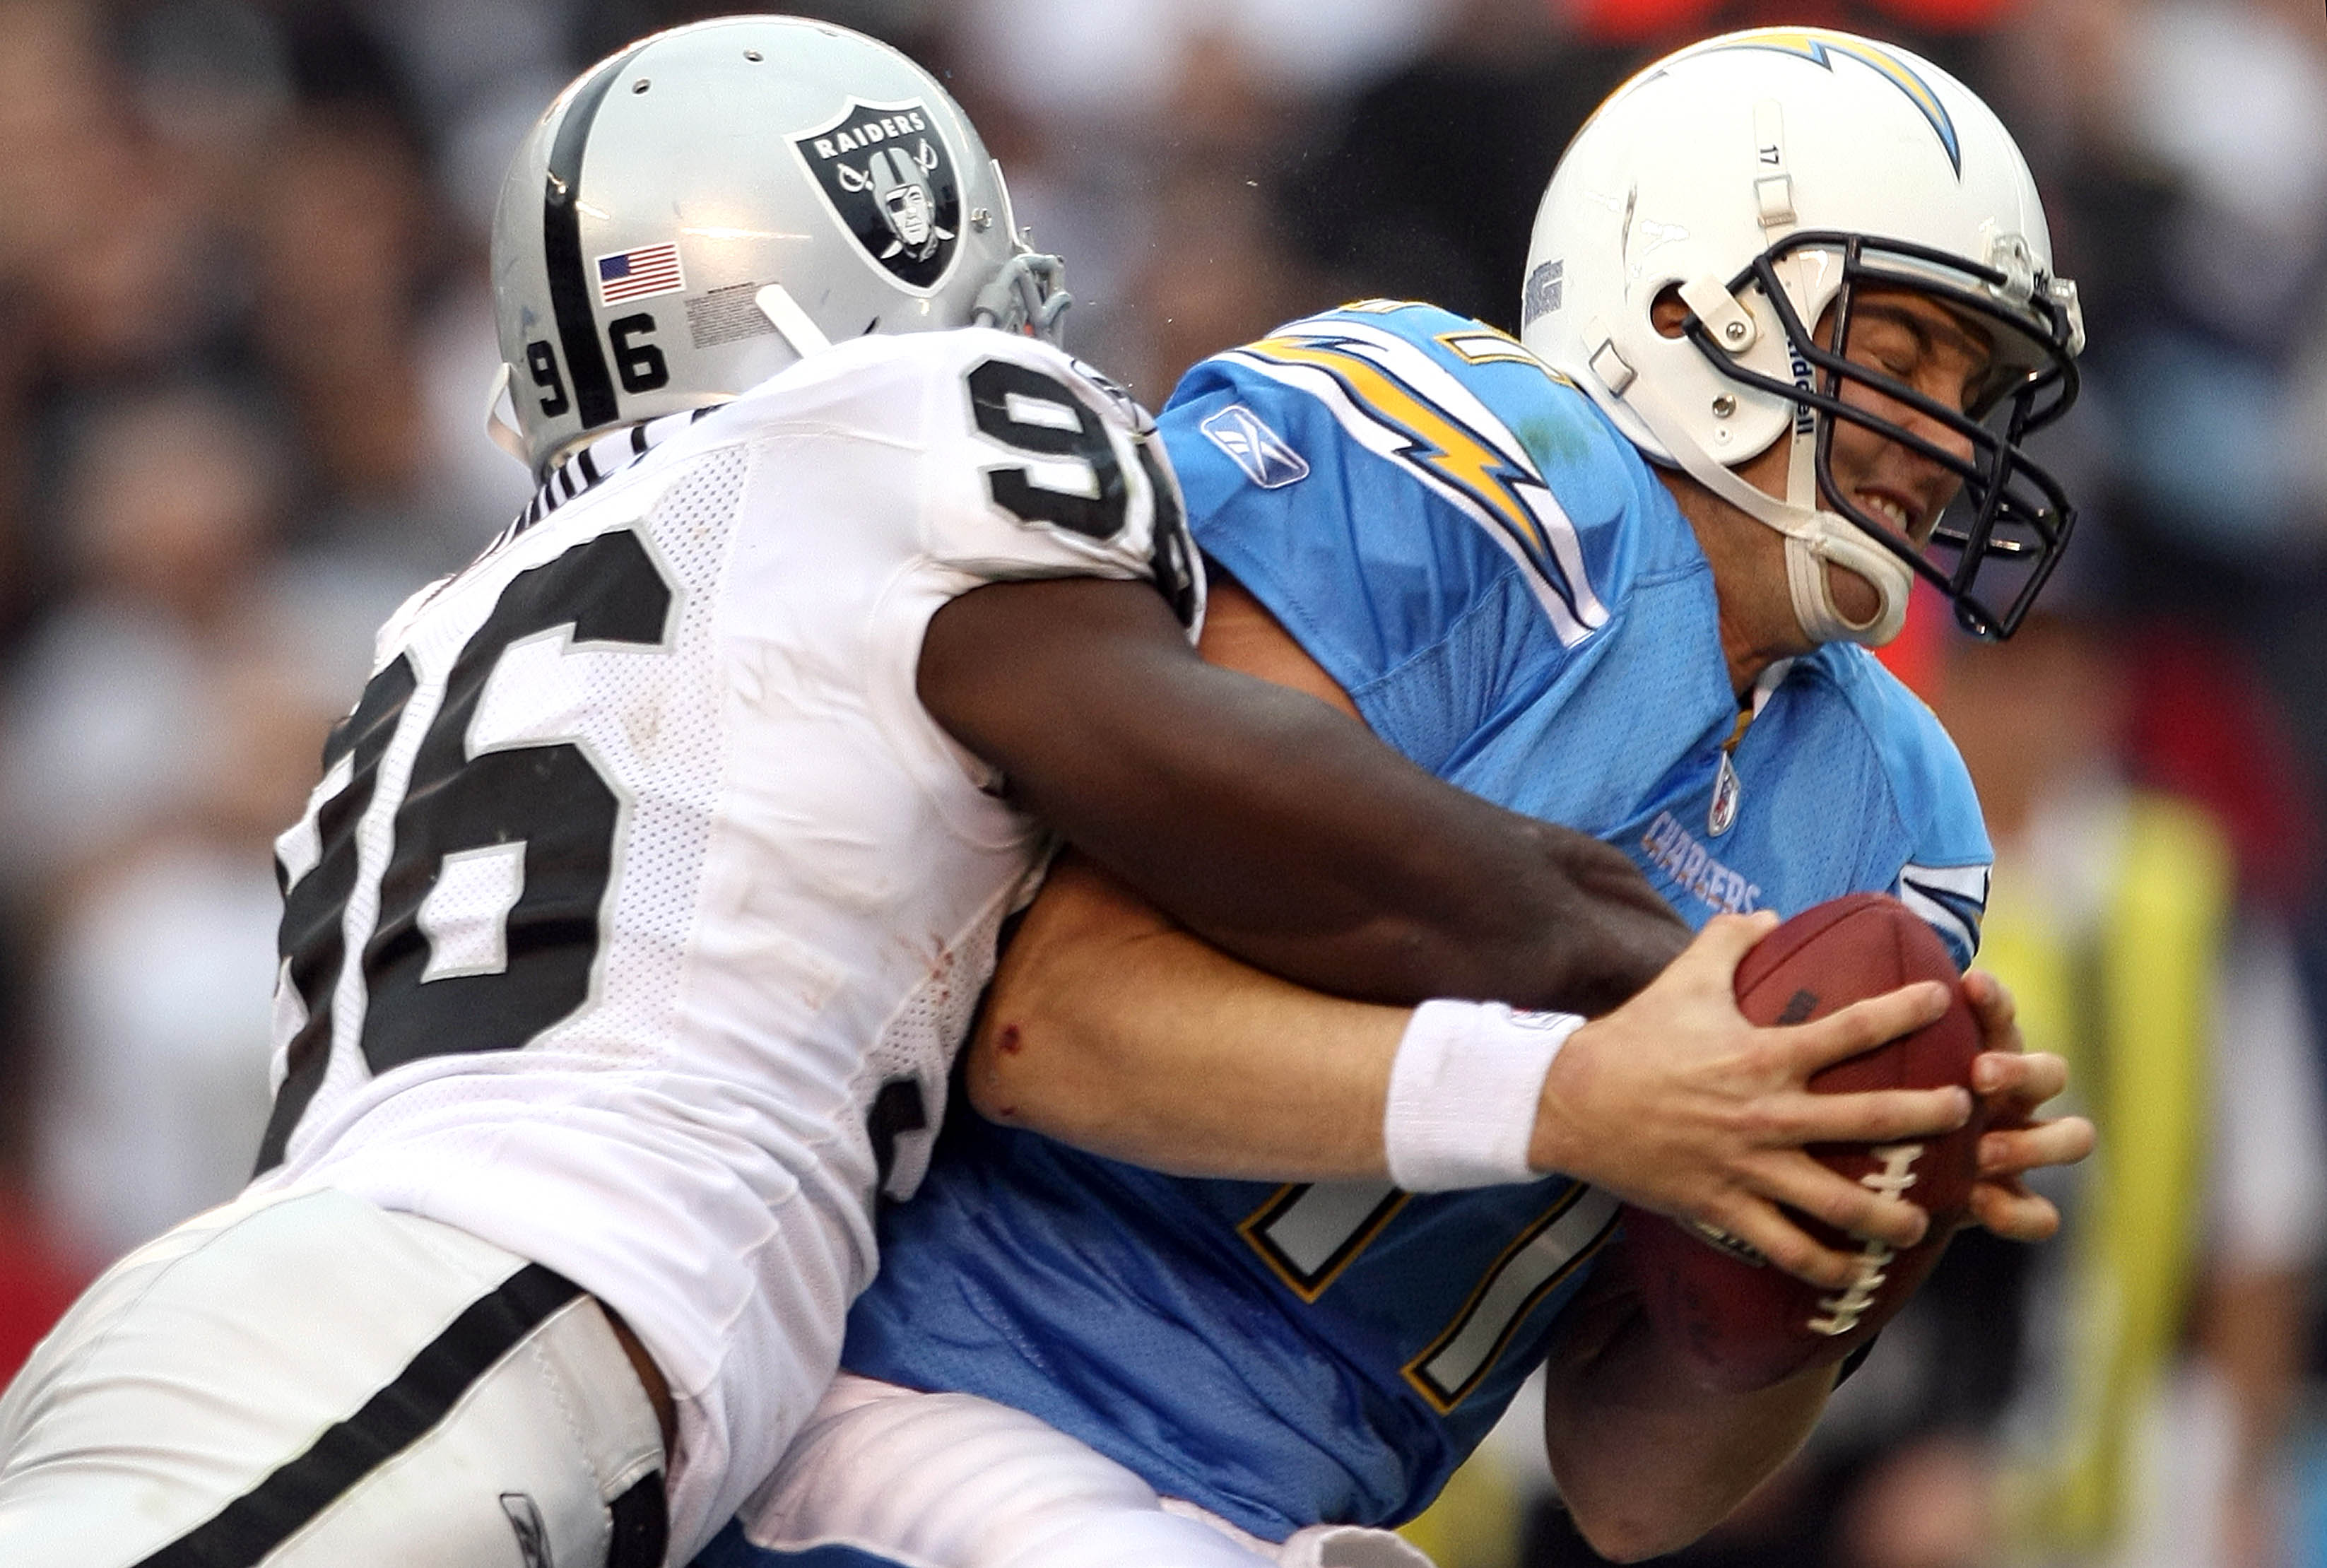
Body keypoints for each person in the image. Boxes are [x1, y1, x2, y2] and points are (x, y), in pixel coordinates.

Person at [0, 19, 1887, 1568]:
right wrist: (1678, 987)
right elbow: (1284, 820)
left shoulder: (472, 610)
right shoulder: (888, 432)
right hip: (499, 1305)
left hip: (431, 1322)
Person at [700, 28, 2098, 1568]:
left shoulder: (1898, 815)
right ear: (1680, 306)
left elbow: (1635, 1488)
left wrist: (1866, 1227)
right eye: (1896, 360)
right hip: (946, 1395)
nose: (1945, 441)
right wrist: (1570, 1099)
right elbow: (1060, 1027)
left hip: (1290, 1514)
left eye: (1974, 390)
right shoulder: (1494, 476)